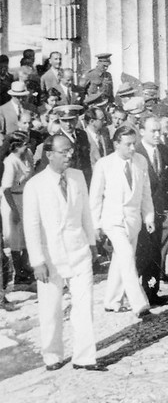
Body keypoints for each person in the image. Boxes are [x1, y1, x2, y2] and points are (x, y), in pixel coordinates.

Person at [23, 134, 102, 371]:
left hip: (79, 251)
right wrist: (37, 261)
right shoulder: (35, 185)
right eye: (63, 151)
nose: (69, 155)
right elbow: (31, 225)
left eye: (71, 150)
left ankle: (85, 357)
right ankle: (52, 355)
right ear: (49, 154)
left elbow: (85, 213)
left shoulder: (77, 177)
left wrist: (92, 244)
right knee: (51, 309)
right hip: (50, 256)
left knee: (84, 305)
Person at [90, 125, 154, 318]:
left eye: (134, 143)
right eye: (128, 144)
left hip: (133, 220)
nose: (133, 148)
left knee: (121, 260)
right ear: (116, 144)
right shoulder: (104, 164)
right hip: (113, 220)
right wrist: (95, 225)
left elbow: (146, 192)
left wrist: (148, 216)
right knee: (126, 257)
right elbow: (95, 196)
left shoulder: (141, 161)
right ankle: (139, 304)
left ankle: (112, 301)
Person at [135, 116, 168, 305]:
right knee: (144, 253)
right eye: (153, 131)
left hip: (159, 208)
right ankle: (134, 292)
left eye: (159, 130)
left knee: (156, 249)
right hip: (140, 211)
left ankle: (152, 292)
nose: (158, 134)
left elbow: (165, 182)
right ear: (142, 131)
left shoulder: (163, 150)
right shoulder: (136, 153)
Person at [1, 131, 35, 285]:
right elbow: (6, 189)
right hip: (13, 200)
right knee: (15, 237)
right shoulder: (10, 162)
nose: (27, 146)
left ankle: (26, 266)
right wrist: (14, 210)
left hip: (26, 197)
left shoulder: (27, 155)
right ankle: (18, 271)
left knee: (28, 234)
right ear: (15, 146)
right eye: (24, 144)